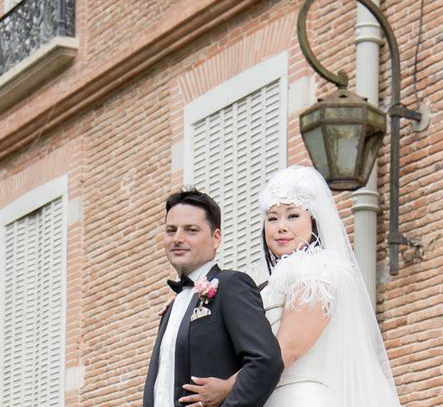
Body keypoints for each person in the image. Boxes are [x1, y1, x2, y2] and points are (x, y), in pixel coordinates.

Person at [183, 166, 402, 406]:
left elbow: (287, 349)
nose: (281, 227)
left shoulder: (317, 271)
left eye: (293, 215)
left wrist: (228, 386)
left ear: (313, 220)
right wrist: (185, 300)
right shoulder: (261, 282)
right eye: (272, 218)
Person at [142, 188, 283, 407]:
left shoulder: (230, 285)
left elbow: (265, 361)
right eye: (171, 231)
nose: (177, 239)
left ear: (216, 238)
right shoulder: (172, 306)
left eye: (191, 230)